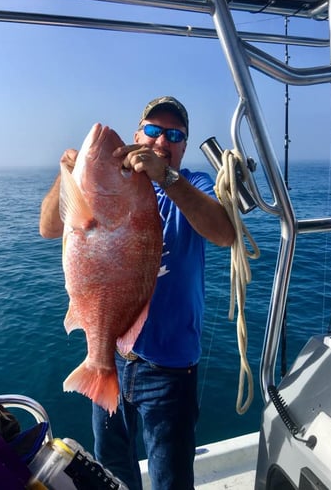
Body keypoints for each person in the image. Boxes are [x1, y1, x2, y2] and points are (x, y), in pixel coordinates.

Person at [39, 96, 235, 490]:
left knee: (169, 478)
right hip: (111, 355)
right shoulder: (98, 188)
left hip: (170, 368)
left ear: (182, 146)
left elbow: (225, 233)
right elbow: (49, 228)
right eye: (153, 130)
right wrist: (68, 176)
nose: (162, 140)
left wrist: (166, 177)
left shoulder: (191, 185)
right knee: (112, 467)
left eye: (174, 135)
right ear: (137, 135)